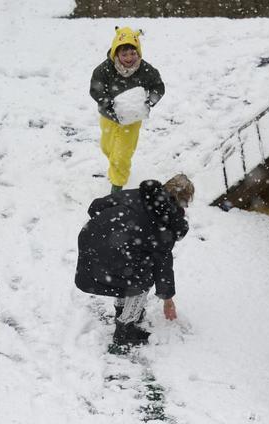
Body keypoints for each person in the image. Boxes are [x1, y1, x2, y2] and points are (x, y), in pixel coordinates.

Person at [75, 174, 194, 351]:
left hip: (91, 240)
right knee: (141, 278)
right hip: (113, 252)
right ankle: (125, 329)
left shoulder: (138, 194)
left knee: (128, 266)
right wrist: (168, 300)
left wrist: (112, 228)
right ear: (183, 202)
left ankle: (121, 309)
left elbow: (96, 206)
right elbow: (162, 268)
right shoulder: (166, 225)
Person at [90, 27, 166, 194]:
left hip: (132, 119)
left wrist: (149, 101)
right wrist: (108, 103)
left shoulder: (145, 70)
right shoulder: (104, 70)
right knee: (106, 148)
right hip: (108, 117)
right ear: (116, 54)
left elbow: (158, 86)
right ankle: (116, 165)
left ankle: (117, 186)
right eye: (124, 55)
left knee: (121, 155)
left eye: (133, 53)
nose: (129, 58)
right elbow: (96, 89)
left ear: (138, 52)